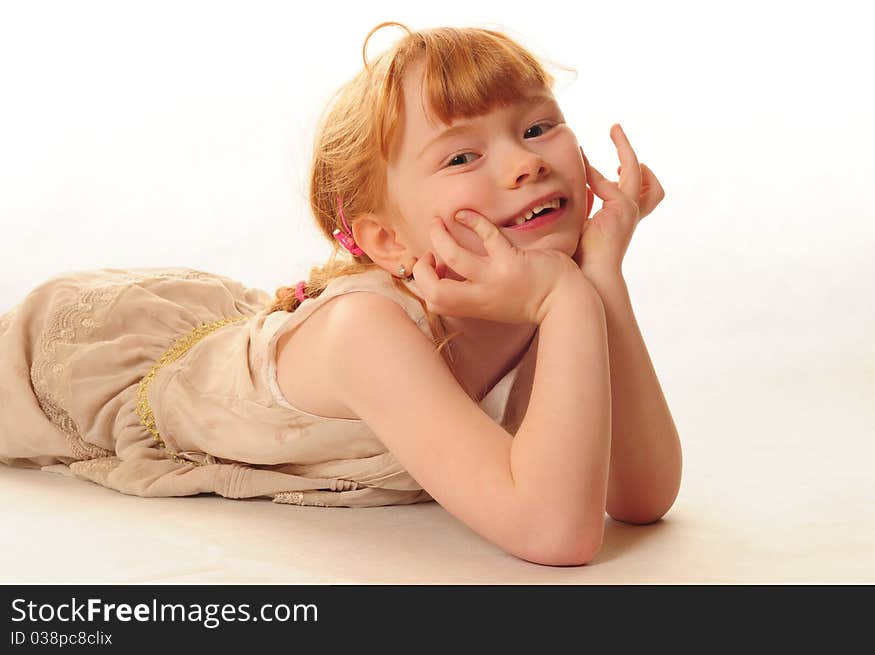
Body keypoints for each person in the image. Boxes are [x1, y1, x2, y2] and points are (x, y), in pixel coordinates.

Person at [0, 22, 680, 566]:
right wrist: (566, 297)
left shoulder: (529, 293)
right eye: (461, 156)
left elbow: (641, 495)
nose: (525, 162)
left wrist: (599, 275)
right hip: (82, 363)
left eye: (536, 127)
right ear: (386, 242)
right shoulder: (368, 332)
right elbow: (555, 532)